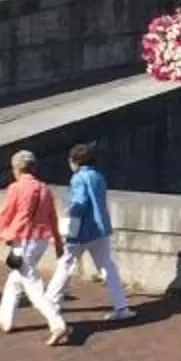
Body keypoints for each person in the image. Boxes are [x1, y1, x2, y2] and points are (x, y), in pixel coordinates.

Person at [51, 140, 131, 341]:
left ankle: (51, 301)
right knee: (107, 266)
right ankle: (121, 306)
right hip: (101, 229)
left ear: (75, 161)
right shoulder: (98, 176)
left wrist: (68, 214)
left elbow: (79, 203)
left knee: (65, 264)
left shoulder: (78, 178)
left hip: (81, 232)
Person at [0, 149, 62, 336]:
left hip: (25, 239)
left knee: (31, 284)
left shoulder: (16, 188)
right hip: (42, 239)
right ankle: (5, 320)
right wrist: (59, 243)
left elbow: (6, 214)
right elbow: (53, 217)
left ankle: (57, 323)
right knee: (15, 280)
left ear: (16, 169)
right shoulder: (44, 188)